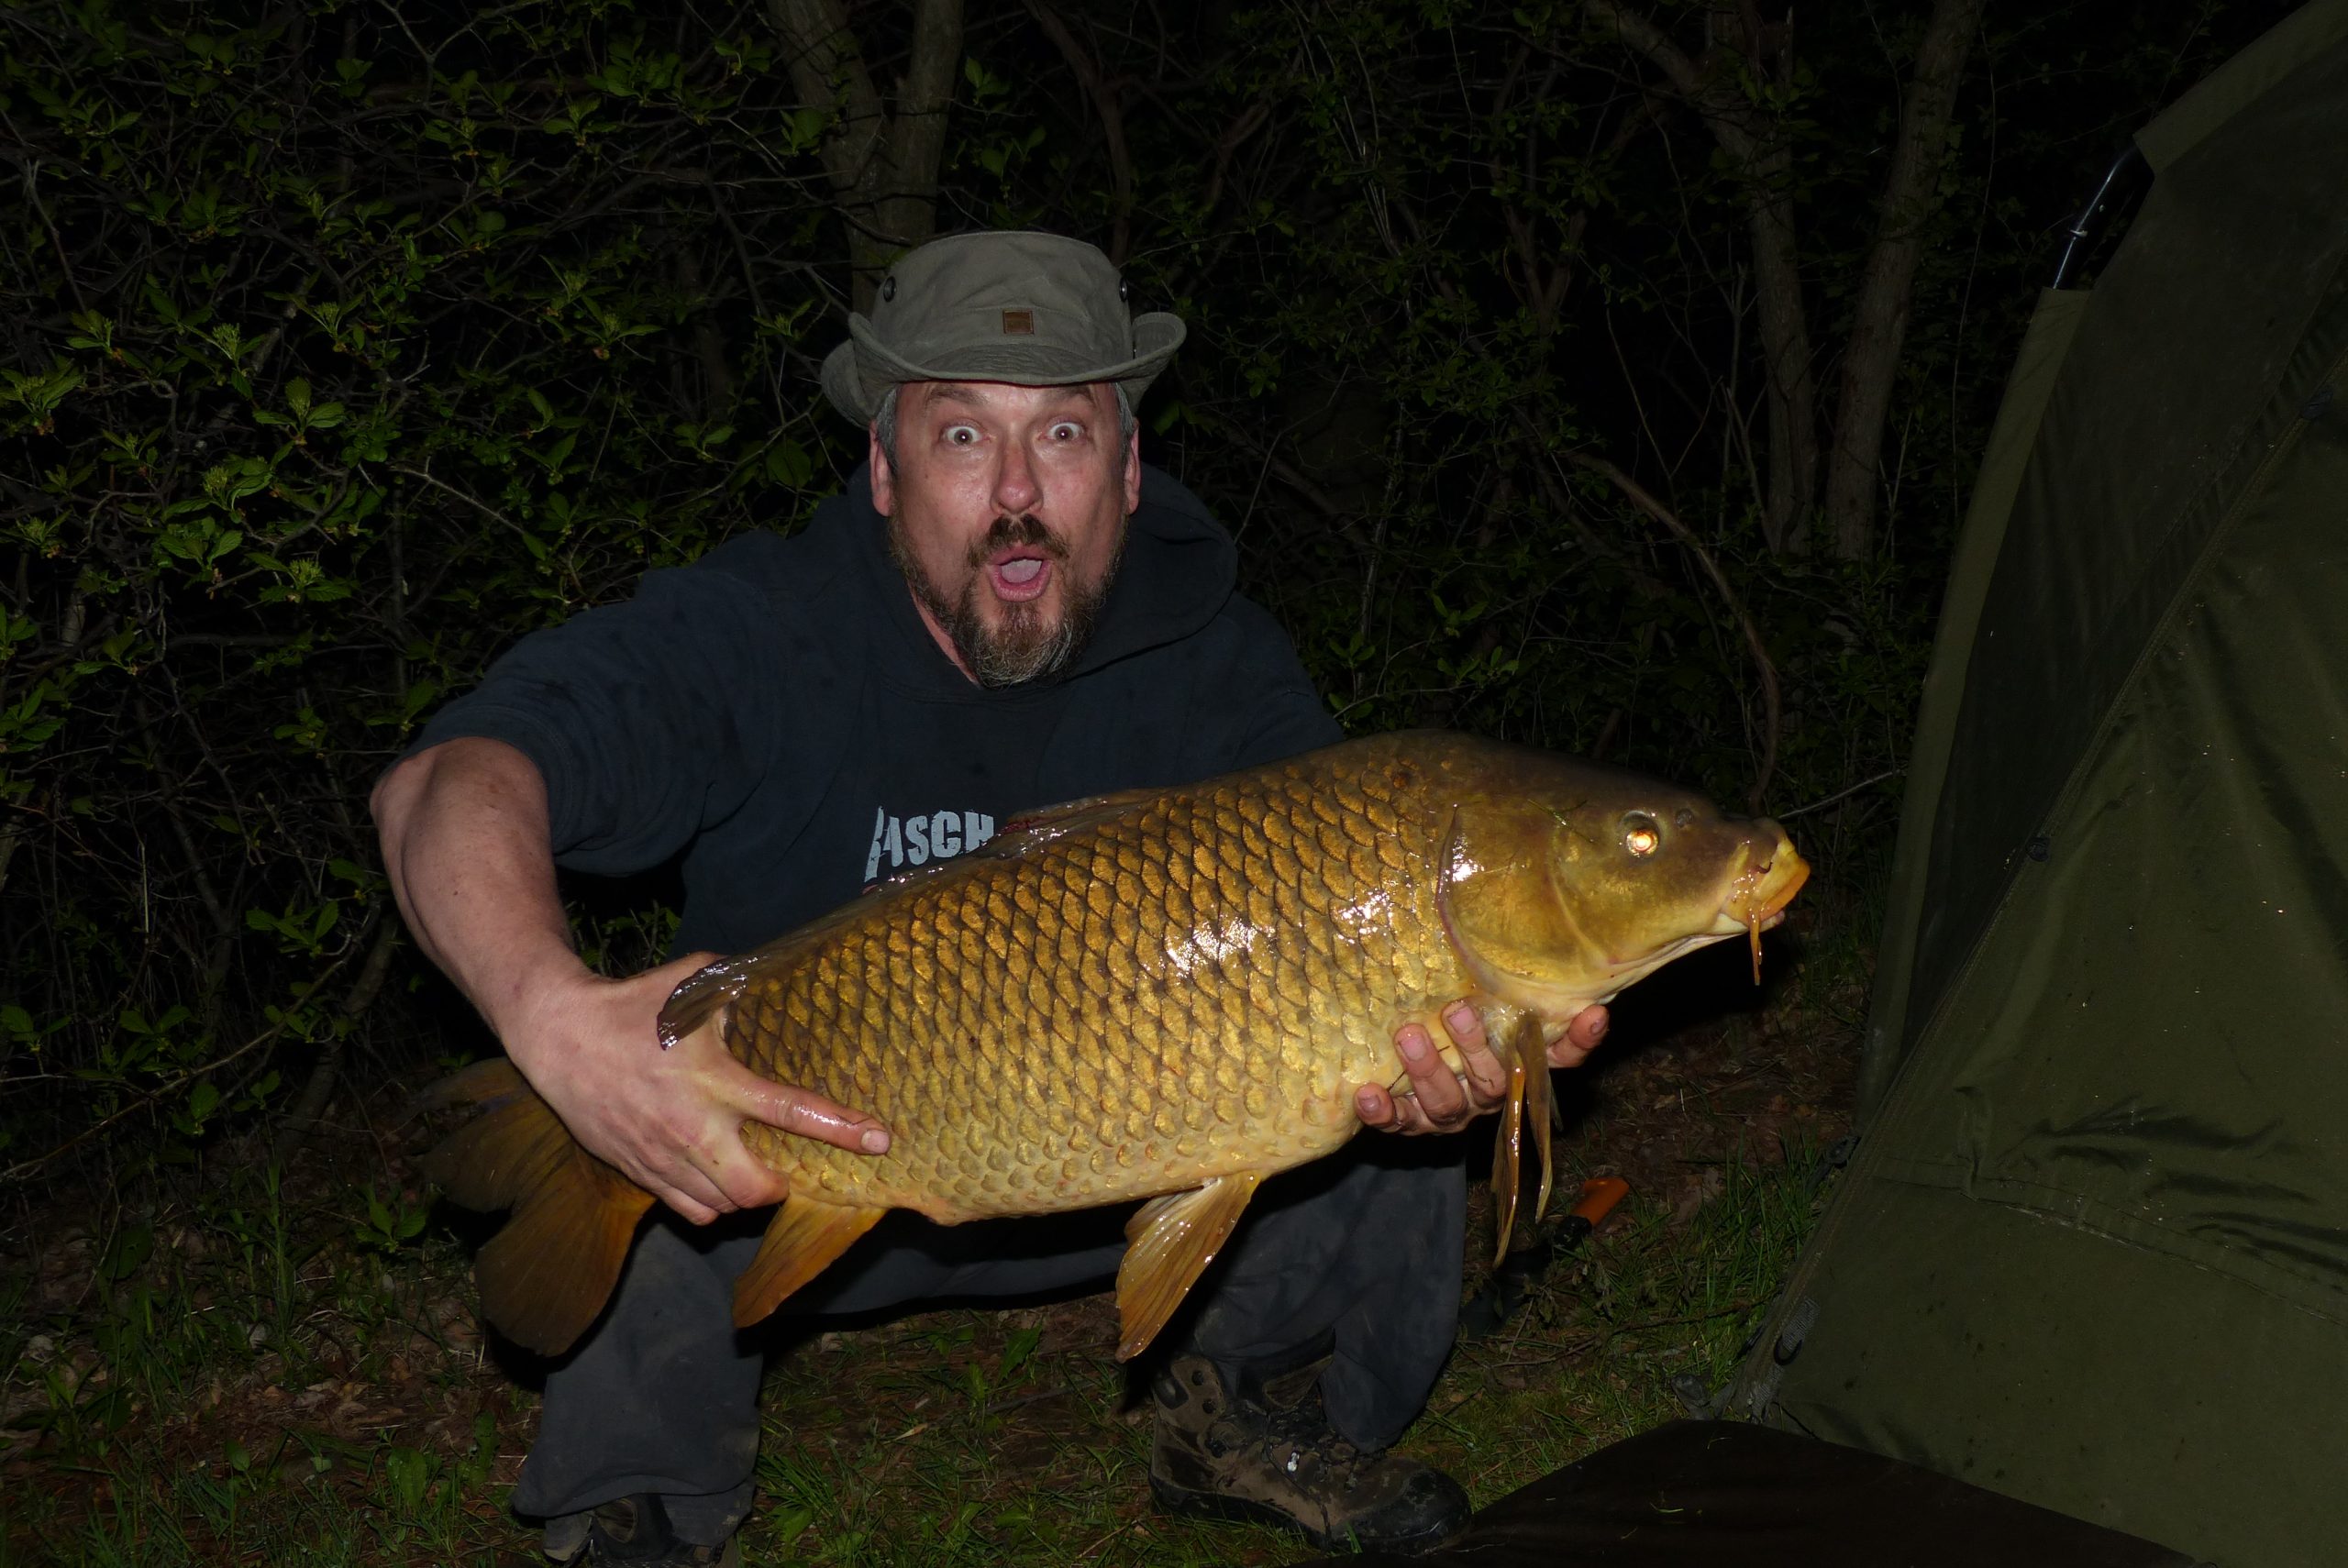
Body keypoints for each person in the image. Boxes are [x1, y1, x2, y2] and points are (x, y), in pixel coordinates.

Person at [372, 229, 1608, 1566]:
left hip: (1136, 1154)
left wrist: (1463, 1063)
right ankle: (641, 1502)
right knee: (646, 1096)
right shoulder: (757, 631)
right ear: (884, 468)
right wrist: (552, 1017)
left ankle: (1244, 1407)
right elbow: (444, 784)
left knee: (1401, 1028)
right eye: (963, 438)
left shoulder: (1223, 663)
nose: (1018, 492)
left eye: (1064, 438)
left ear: (1130, 472)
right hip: (794, 1173)